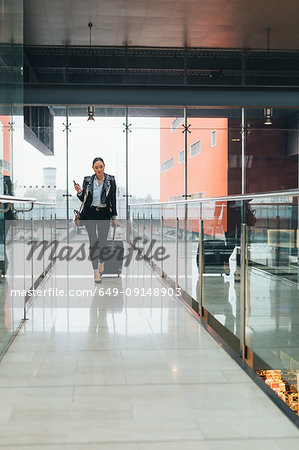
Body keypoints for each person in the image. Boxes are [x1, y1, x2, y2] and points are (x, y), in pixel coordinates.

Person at [74, 157, 118, 284]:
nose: (99, 169)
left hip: (104, 213)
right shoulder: (87, 180)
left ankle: (102, 261)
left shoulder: (111, 180)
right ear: (93, 168)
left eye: (101, 167)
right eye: (96, 167)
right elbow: (84, 198)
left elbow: (113, 199)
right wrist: (79, 192)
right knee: (93, 242)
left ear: (104, 166)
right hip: (90, 213)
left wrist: (114, 217)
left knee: (102, 241)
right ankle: (95, 272)